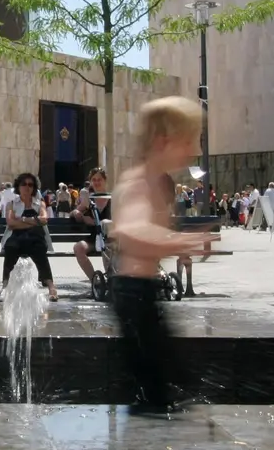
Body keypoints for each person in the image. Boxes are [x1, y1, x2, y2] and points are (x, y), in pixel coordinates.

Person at [110, 96, 219, 416]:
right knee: (155, 386)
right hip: (133, 295)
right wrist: (179, 241)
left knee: (167, 379)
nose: (195, 151)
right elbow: (130, 229)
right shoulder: (138, 183)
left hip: (144, 292)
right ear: (163, 141)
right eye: (189, 141)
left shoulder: (157, 182)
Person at [2, 172, 58, 301]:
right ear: (18, 186)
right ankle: (5, 286)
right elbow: (10, 223)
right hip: (16, 237)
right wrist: (33, 222)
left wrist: (21, 220)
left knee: (40, 249)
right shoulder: (12, 203)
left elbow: (44, 219)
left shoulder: (40, 204)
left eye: (31, 185)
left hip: (35, 238)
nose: (27, 187)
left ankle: (51, 286)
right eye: (24, 184)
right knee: (10, 248)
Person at [72, 167, 111, 299]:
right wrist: (80, 215)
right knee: (78, 248)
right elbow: (75, 212)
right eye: (94, 180)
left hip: (111, 237)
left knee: (109, 248)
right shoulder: (89, 200)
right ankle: (96, 282)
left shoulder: (112, 199)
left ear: (105, 180)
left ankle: (112, 281)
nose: (96, 182)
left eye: (99, 179)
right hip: (94, 238)